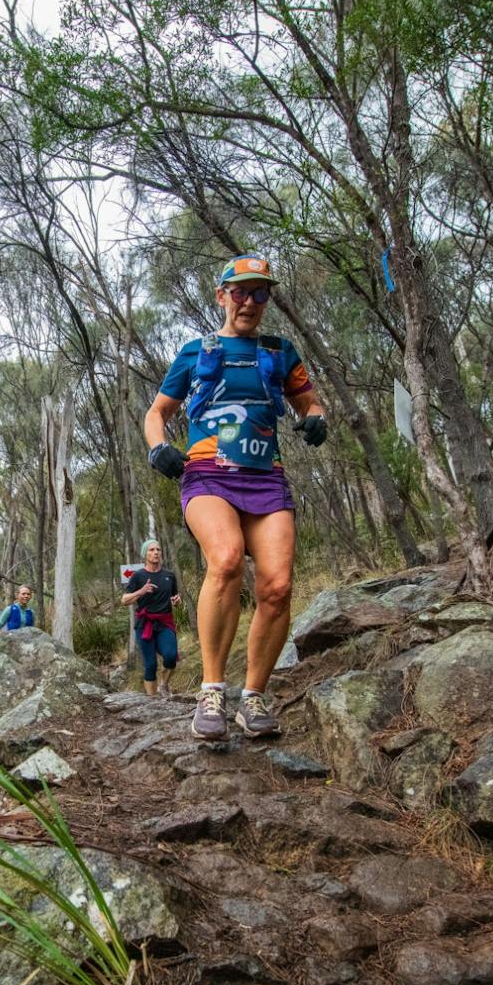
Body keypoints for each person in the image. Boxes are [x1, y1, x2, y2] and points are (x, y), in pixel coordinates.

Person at [142, 254, 327, 740]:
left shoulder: (280, 351)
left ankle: (254, 698)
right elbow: (156, 412)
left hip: (266, 477)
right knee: (224, 560)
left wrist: (314, 418)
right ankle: (211, 691)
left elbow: (308, 400)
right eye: (240, 292)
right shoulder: (194, 351)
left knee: (278, 587)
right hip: (207, 474)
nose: (249, 301)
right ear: (222, 296)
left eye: (260, 292)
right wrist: (158, 448)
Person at [121, 539, 181, 697]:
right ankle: (152, 701)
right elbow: (124, 600)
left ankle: (164, 684)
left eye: (158, 550)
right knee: (150, 665)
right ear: (145, 554)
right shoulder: (138, 576)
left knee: (170, 657)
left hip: (164, 622)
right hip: (144, 624)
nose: (155, 552)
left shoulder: (169, 576)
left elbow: (174, 596)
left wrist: (177, 600)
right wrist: (141, 591)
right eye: (151, 550)